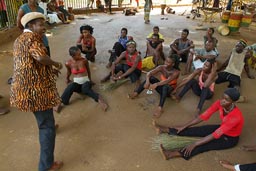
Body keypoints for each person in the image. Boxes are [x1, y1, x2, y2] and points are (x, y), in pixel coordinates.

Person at [10, 12, 63, 171]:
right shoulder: (32, 38)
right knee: (46, 128)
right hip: (36, 91)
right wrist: (55, 64)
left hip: (23, 89)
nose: (43, 27)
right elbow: (40, 58)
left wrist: (48, 71)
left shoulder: (19, 40)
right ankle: (46, 166)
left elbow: (29, 63)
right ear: (31, 26)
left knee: (45, 120)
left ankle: (48, 123)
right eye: (40, 24)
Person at [153, 88, 244, 160]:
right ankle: (166, 130)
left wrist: (195, 144)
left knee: (203, 146)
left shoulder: (235, 117)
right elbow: (203, 116)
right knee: (199, 130)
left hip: (229, 138)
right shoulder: (219, 103)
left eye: (226, 100)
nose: (222, 101)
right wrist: (184, 126)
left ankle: (170, 154)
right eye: (222, 97)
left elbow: (214, 135)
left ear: (233, 102)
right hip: (223, 128)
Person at [54, 46, 108, 113]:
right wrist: (67, 79)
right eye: (78, 54)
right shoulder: (68, 63)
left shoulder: (84, 61)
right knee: (70, 86)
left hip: (86, 82)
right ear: (73, 56)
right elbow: (69, 72)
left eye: (80, 53)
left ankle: (100, 99)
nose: (81, 55)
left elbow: (88, 70)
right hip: (77, 84)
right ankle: (60, 103)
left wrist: (90, 80)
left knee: (85, 89)